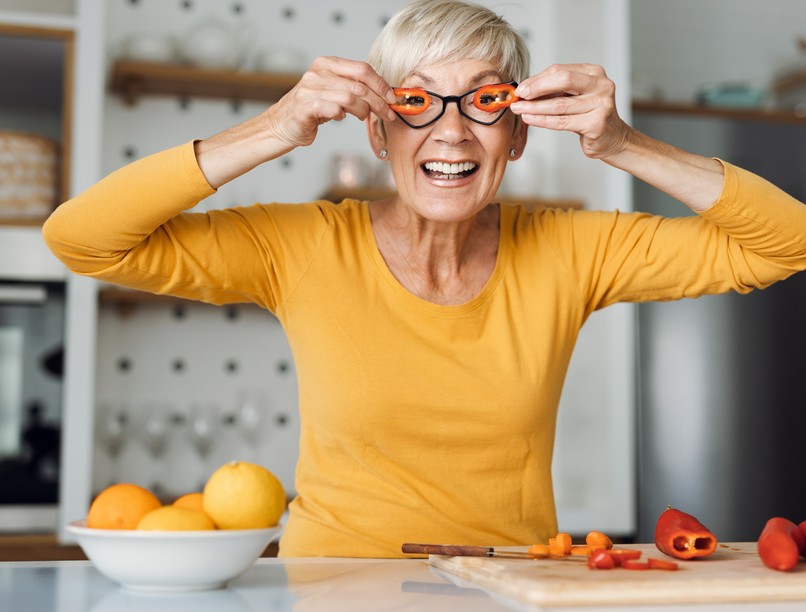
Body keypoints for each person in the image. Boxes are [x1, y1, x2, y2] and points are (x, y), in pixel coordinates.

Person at [43, 0, 806, 558]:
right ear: (376, 130)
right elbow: (81, 240)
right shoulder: (304, 245)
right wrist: (272, 128)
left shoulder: (574, 250)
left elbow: (788, 243)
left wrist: (624, 142)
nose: (449, 131)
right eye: (414, 101)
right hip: (331, 590)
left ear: (515, 134)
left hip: (516, 588)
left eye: (483, 101)